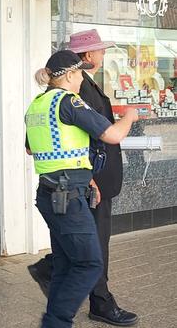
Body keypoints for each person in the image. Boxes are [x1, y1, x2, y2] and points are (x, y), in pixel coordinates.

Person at [28, 30, 139, 327]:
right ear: (69, 74)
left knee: (66, 262)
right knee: (90, 262)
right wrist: (129, 116)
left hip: (53, 190)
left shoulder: (39, 103)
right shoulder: (70, 100)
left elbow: (30, 147)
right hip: (69, 192)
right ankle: (56, 321)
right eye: (78, 72)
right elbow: (112, 134)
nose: (82, 77)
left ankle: (55, 310)